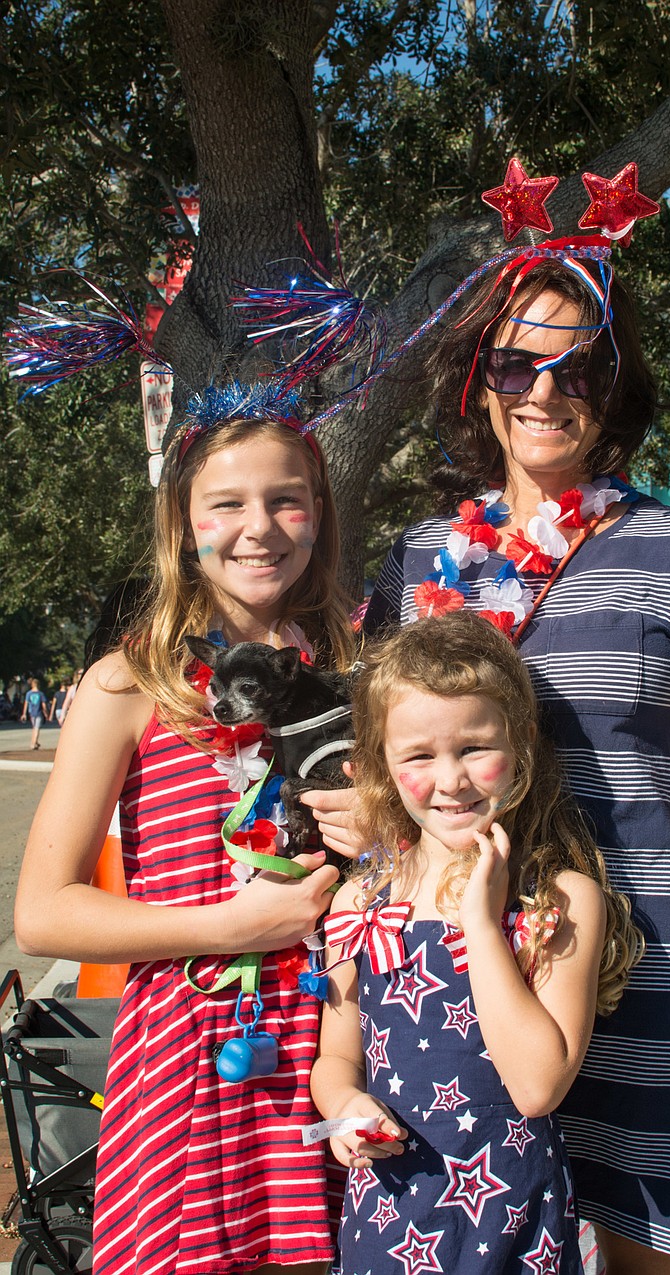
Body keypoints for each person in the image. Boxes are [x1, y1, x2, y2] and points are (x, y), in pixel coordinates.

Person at [355, 234, 670, 1272]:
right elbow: (389, 763)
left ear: (618, 388)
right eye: (520, 363)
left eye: (583, 368)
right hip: (458, 991)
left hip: (651, 991)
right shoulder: (421, 561)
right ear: (482, 381)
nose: (547, 391)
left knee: (647, 1259)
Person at [15, 394, 356, 1275]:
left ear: (319, 514)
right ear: (183, 524)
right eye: (228, 505)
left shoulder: (362, 676)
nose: (261, 527)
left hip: (349, 1047)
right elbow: (44, 914)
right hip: (192, 1053)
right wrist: (229, 928)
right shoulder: (124, 686)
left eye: (288, 500)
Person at [311, 613, 643, 1274]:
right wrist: (344, 1109)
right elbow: (336, 1058)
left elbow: (538, 1085)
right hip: (389, 1217)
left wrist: (483, 923)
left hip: (512, 1223)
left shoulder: (557, 899)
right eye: (418, 755)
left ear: (519, 744)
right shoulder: (360, 902)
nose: (451, 779)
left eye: (473, 747)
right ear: (381, 761)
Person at [20, 676, 49, 749]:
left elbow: (26, 704)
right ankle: (34, 743)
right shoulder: (40, 694)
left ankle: (34, 742)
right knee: (37, 728)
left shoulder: (29, 693)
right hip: (39, 712)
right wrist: (46, 713)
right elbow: (44, 705)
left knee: (34, 727)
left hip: (31, 713)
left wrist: (24, 714)